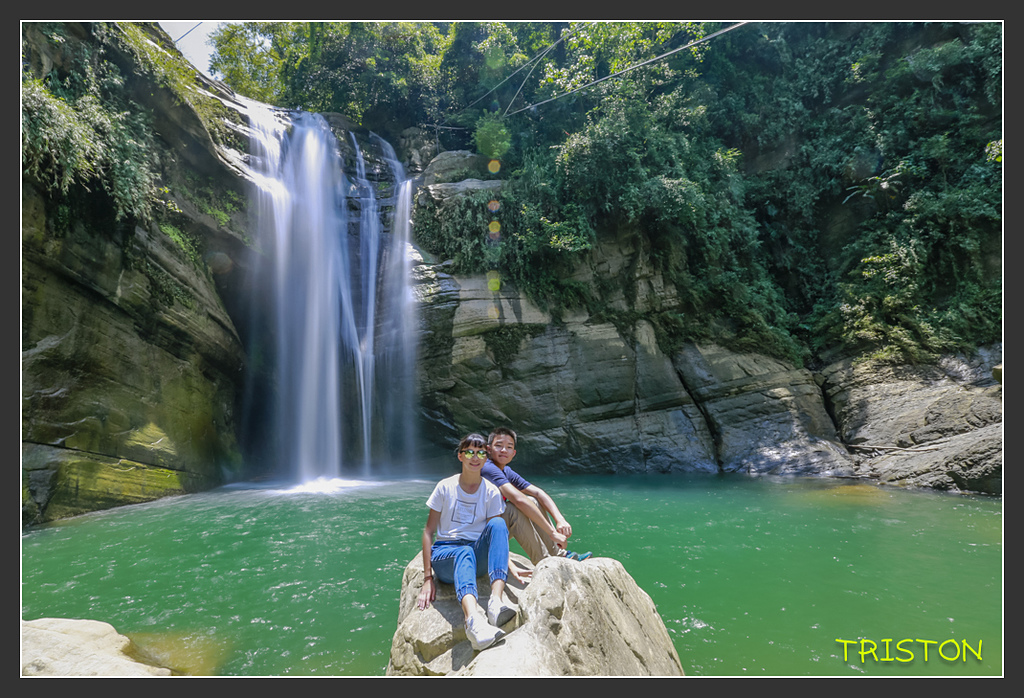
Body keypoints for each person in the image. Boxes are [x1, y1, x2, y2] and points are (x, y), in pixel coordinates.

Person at [416, 433, 517, 651]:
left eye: (481, 452)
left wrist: (510, 564)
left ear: (486, 457)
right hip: (447, 557)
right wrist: (427, 578)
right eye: (470, 452)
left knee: (499, 524)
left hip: (476, 555)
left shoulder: (490, 491)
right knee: (463, 552)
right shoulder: (445, 487)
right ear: (461, 456)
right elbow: (428, 532)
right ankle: (473, 622)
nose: (475, 457)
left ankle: (496, 603)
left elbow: (495, 535)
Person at [483, 426, 592, 573]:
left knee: (532, 501)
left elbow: (538, 493)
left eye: (508, 447)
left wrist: (560, 519)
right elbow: (518, 499)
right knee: (514, 508)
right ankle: (546, 562)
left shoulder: (506, 471)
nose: (504, 450)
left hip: (495, 528)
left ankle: (559, 554)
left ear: (514, 453)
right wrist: (552, 532)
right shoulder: (487, 468)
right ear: (488, 449)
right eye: (498, 446)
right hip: (481, 534)